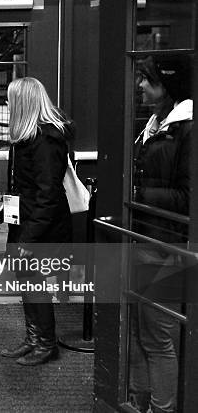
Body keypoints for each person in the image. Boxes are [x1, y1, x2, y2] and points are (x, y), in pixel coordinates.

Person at [129, 55, 192, 413]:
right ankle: (140, 400)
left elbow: (188, 198)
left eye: (147, 79)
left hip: (169, 246)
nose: (140, 86)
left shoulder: (187, 129)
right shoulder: (155, 125)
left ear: (167, 84)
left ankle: (162, 408)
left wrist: (135, 195)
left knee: (159, 336)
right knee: (141, 331)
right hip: (144, 239)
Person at [0, 77, 74, 366]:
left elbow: (48, 195)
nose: (7, 104)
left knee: (36, 284)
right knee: (29, 283)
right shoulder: (28, 137)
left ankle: (46, 344)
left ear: (23, 103)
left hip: (41, 228)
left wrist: (28, 240)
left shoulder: (45, 140)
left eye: (10, 99)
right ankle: (34, 339)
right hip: (28, 222)